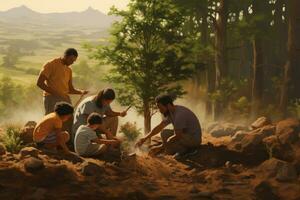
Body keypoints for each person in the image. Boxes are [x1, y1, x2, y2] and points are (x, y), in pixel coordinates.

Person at [136, 94, 202, 159]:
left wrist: (160, 147)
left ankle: (187, 151)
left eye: (161, 108)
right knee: (165, 133)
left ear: (168, 105)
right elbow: (160, 127)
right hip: (186, 136)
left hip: (194, 139)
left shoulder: (179, 115)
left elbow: (177, 136)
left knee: (168, 140)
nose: (160, 111)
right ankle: (181, 149)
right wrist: (144, 139)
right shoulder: (171, 112)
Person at [36, 48, 88, 115]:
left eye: (74, 61)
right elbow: (39, 83)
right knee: (53, 119)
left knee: (69, 119)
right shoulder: (51, 64)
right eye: (71, 60)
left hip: (65, 99)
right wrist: (56, 94)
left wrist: (81, 92)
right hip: (51, 98)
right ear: (65, 56)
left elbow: (70, 89)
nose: (72, 62)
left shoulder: (69, 70)